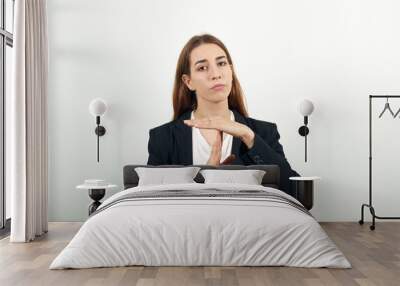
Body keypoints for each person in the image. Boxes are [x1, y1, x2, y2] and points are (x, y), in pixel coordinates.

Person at [146, 33, 300, 196]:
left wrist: (248, 136)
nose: (216, 74)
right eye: (202, 67)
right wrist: (204, 180)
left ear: (231, 71)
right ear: (188, 81)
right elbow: (148, 201)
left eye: (221, 63)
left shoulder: (262, 132)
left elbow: (294, 193)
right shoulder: (163, 137)